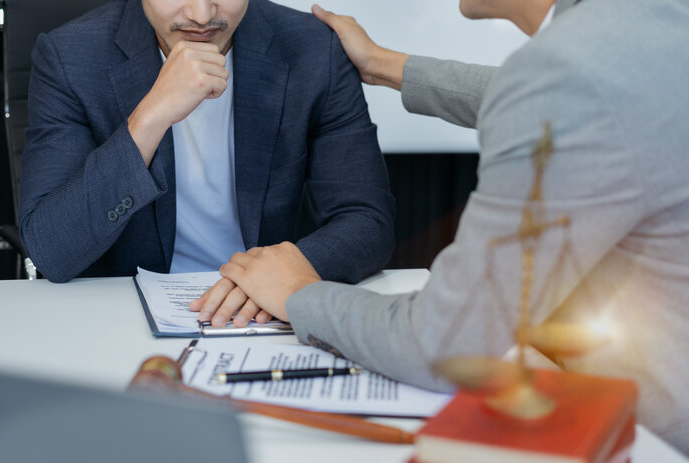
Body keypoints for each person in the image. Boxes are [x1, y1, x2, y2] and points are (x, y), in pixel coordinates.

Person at [206, 0, 689, 452]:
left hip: (658, 440)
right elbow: (582, 98)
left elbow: (444, 344)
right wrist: (380, 63)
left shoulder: (569, 74)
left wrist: (297, 293)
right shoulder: (645, 24)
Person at [18, 0, 395, 326]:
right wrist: (148, 119)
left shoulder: (314, 49)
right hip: (122, 315)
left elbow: (367, 221)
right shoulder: (70, 56)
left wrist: (277, 277)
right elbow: (51, 249)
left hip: (264, 314)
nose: (202, 15)